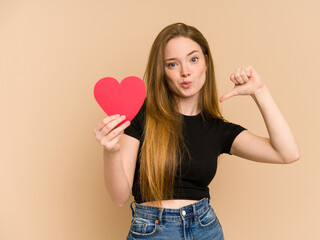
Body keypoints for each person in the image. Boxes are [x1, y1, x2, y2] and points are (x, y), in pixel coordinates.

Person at [93, 22, 300, 239]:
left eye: (193, 59)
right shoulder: (141, 116)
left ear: (206, 63)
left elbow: (288, 153)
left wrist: (260, 91)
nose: (185, 72)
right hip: (153, 230)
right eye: (172, 64)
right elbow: (119, 197)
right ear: (162, 71)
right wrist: (111, 151)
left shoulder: (218, 129)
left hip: (205, 228)